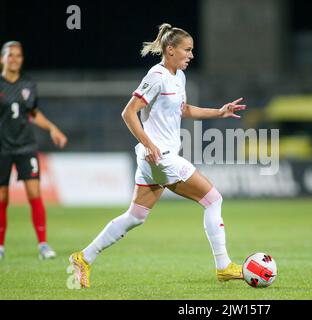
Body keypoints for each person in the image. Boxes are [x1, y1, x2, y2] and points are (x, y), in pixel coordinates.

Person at [69, 23, 246, 288]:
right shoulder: (157, 75)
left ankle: (84, 257)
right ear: (170, 49)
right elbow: (128, 112)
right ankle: (223, 266)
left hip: (153, 160)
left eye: (192, 50)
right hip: (160, 157)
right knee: (213, 199)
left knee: (136, 216)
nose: (191, 55)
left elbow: (183, 109)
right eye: (187, 50)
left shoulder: (179, 77)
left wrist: (219, 112)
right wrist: (149, 143)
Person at [0, 41, 68, 260]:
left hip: (26, 146)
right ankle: (0, 246)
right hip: (2, 148)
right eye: (10, 55)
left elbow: (32, 113)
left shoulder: (28, 83)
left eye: (18, 55)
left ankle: (43, 245)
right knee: (2, 197)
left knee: (34, 193)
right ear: (2, 58)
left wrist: (52, 128)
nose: (15, 59)